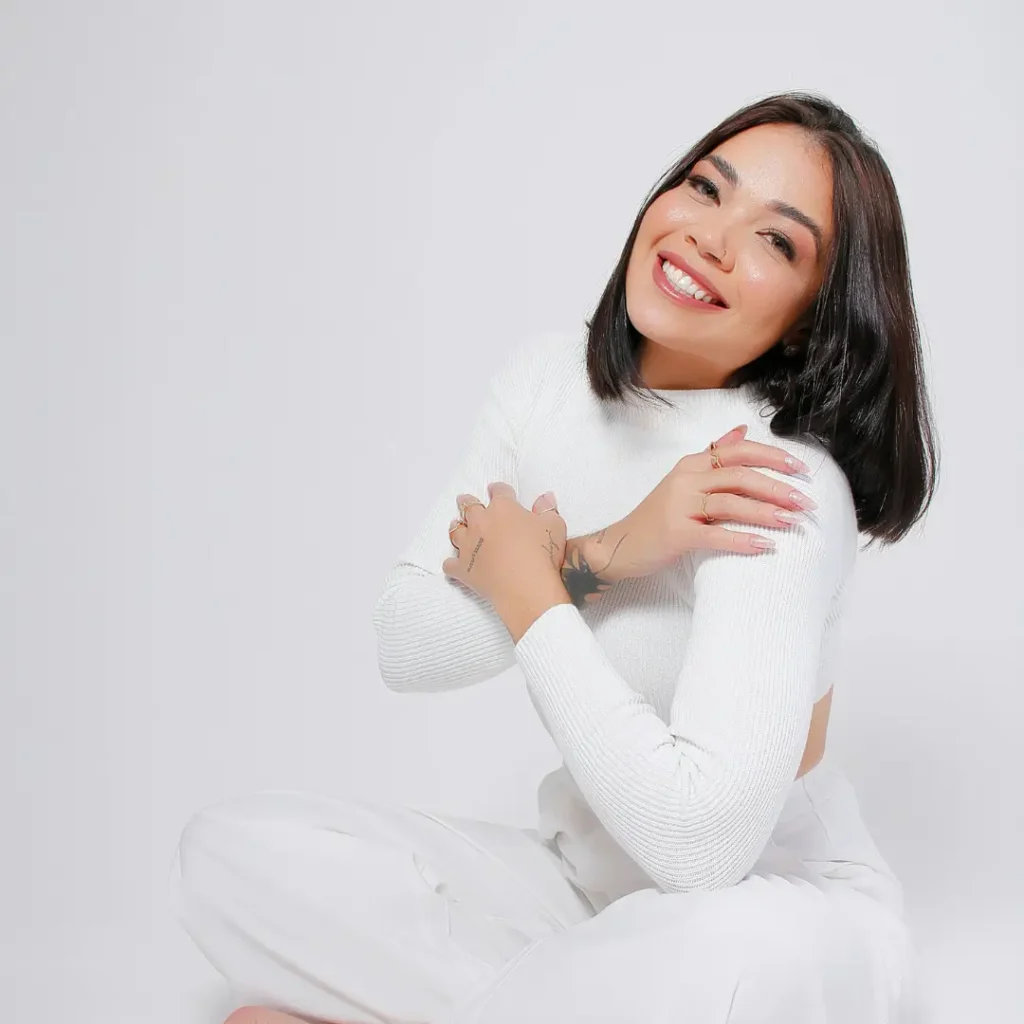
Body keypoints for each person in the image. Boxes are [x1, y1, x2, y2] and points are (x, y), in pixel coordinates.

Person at [170, 90, 937, 1024]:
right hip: (577, 896)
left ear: (815, 318)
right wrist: (608, 553)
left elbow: (699, 852)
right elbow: (404, 644)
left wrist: (529, 590)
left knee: (730, 957)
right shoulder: (546, 383)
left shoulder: (772, 478)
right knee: (233, 853)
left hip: (769, 916)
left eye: (776, 241)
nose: (710, 237)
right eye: (705, 188)